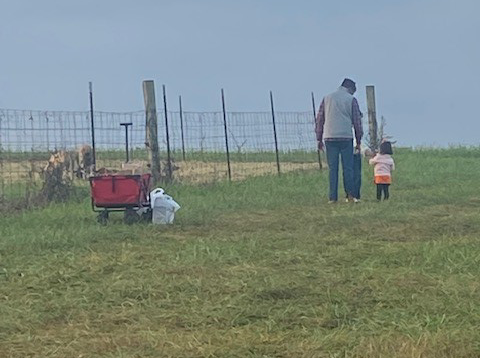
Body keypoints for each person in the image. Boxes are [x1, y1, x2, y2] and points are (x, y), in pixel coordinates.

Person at [315, 78, 364, 203]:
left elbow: (320, 119)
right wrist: (358, 140)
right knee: (348, 167)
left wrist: (319, 139)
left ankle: (332, 198)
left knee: (333, 168)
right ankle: (350, 196)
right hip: (346, 137)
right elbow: (357, 121)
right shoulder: (351, 100)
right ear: (351, 89)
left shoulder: (327, 98)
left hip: (329, 136)